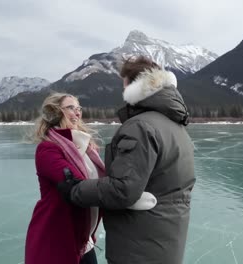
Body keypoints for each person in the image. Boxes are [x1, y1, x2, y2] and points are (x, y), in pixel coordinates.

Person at [59, 56, 196, 264]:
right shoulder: (176, 126)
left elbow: (122, 189)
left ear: (134, 86)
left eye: (123, 84)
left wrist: (75, 190)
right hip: (166, 239)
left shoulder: (140, 127)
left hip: (139, 246)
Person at [25, 93, 157, 264]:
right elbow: (75, 186)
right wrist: (123, 194)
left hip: (83, 240)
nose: (78, 113)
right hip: (57, 236)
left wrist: (127, 189)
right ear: (55, 113)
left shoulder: (85, 147)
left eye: (79, 108)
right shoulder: (48, 149)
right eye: (71, 108)